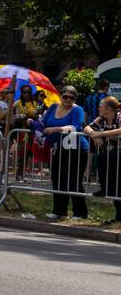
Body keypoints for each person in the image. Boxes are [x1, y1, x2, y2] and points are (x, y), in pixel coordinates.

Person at [40, 85, 89, 220]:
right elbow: (43, 124)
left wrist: (56, 129)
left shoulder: (77, 109)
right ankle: (59, 210)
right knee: (57, 178)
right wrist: (32, 123)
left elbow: (76, 126)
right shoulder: (53, 107)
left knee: (73, 180)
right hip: (58, 147)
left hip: (76, 148)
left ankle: (80, 212)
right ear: (60, 96)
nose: (68, 100)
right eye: (65, 96)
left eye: (71, 97)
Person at [85, 96, 121, 223]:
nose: (98, 107)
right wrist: (93, 135)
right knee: (114, 186)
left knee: (118, 186)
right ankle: (118, 217)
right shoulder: (101, 118)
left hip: (118, 154)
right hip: (109, 155)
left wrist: (101, 134)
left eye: (101, 105)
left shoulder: (119, 116)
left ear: (109, 108)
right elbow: (87, 127)